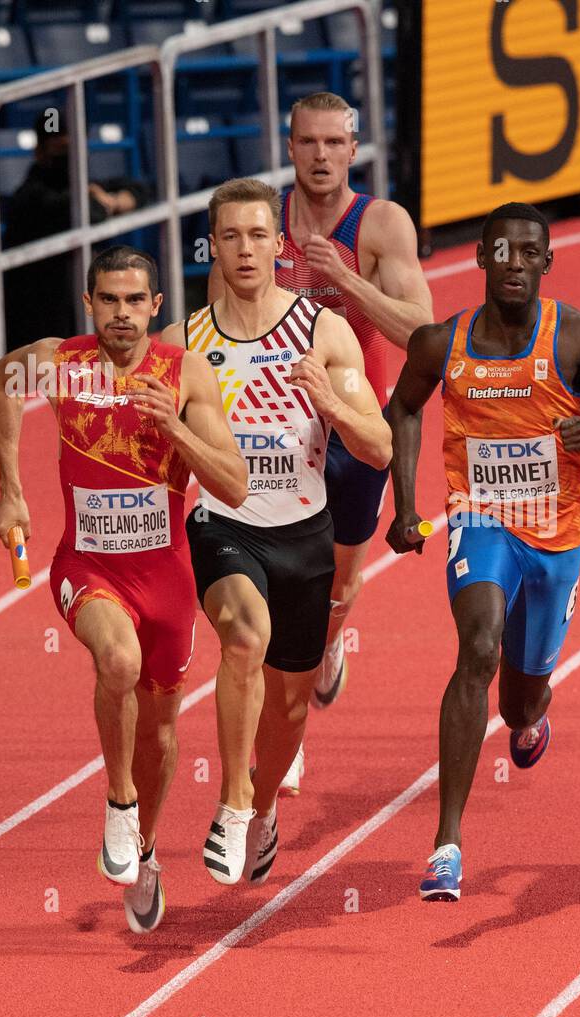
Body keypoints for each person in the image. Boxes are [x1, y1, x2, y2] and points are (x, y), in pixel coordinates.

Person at [385, 202, 580, 901]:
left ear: (547, 263)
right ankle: (447, 842)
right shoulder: (443, 343)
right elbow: (403, 408)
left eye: (530, 254)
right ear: (480, 256)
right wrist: (406, 505)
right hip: (481, 517)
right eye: (503, 252)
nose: (516, 265)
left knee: (520, 700)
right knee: (477, 647)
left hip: (557, 532)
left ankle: (531, 716)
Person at [0, 246, 247, 932]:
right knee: (118, 662)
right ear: (89, 303)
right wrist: (10, 489)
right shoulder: (60, 361)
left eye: (135, 301)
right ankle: (119, 802)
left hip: (166, 578)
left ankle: (147, 846)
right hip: (88, 567)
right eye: (109, 300)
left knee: (162, 727)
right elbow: (1, 381)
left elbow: (235, 483)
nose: (122, 314)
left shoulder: (185, 372)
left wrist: (176, 428)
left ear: (156, 306)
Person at [209, 91, 433, 793]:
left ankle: (331, 641)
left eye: (336, 143)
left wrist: (343, 281)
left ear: (353, 147)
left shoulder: (381, 224)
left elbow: (420, 335)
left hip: (355, 419)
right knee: (275, 585)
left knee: (338, 582)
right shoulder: (256, 225)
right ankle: (286, 721)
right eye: (309, 143)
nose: (322, 156)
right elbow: (216, 321)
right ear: (290, 145)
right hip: (273, 427)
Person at [169, 178, 390, 886]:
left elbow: (380, 445)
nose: (245, 249)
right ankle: (233, 804)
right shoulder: (184, 343)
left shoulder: (321, 331)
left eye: (259, 235)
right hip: (225, 525)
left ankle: (262, 809)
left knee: (291, 705)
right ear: (213, 246)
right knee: (241, 635)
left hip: (305, 533)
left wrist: (329, 400)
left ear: (278, 244)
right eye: (230, 236)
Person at [3, 113, 152, 348]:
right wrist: (104, 202)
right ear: (40, 151)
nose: (68, 157)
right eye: (60, 148)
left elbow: (139, 189)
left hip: (72, 317)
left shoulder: (86, 186)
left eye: (74, 147)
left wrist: (113, 200)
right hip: (38, 329)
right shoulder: (30, 196)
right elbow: (84, 211)